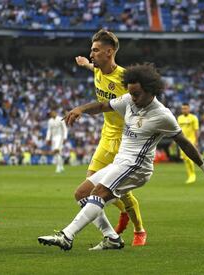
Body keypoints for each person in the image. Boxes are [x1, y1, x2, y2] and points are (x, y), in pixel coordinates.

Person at [38, 63, 204, 251]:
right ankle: (112, 238)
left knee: (99, 193)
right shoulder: (128, 100)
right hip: (121, 161)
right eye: (131, 93)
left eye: (136, 94)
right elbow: (102, 105)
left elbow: (184, 142)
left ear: (150, 91)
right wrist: (80, 109)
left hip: (138, 166)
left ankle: (66, 236)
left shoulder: (163, 115)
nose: (132, 98)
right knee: (81, 193)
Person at [75, 29, 147, 246]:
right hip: (106, 135)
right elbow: (92, 67)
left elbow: (145, 101)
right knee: (87, 191)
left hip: (124, 139)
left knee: (120, 190)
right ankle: (111, 233)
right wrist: (84, 64)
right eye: (91, 50)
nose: (91, 54)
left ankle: (139, 230)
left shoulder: (125, 79)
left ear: (109, 52)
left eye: (95, 51)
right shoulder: (97, 68)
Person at [177, 103, 200, 184]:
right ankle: (190, 175)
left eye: (186, 108)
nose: (184, 110)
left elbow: (196, 130)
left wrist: (196, 141)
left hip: (191, 140)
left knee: (188, 157)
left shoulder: (193, 118)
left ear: (189, 109)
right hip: (182, 140)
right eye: (183, 108)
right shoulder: (179, 118)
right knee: (185, 158)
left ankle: (192, 175)